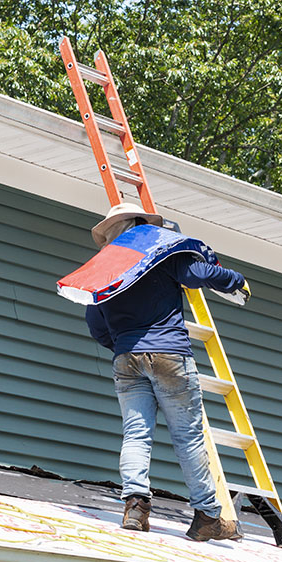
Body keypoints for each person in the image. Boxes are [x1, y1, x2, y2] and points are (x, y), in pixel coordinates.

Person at [85, 203, 250, 542]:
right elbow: (198, 274)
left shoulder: (104, 269)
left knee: (136, 434)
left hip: (126, 357)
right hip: (170, 353)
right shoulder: (160, 251)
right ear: (142, 225)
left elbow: (96, 325)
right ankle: (207, 517)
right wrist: (237, 280)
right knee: (187, 437)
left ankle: (135, 508)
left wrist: (123, 344)